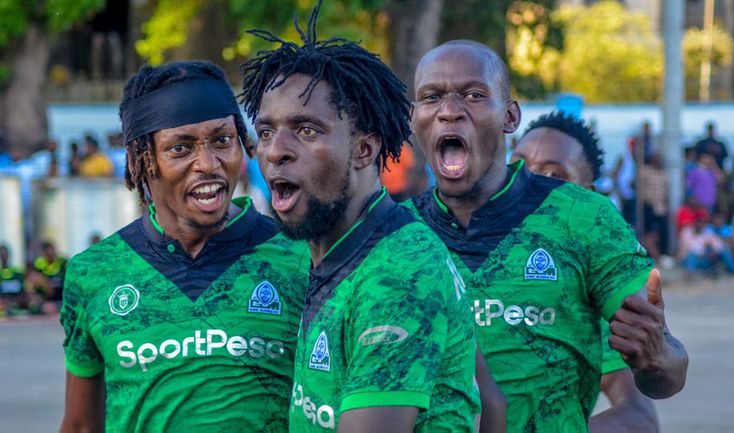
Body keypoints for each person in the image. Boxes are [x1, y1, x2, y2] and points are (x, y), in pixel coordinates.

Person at [408, 40, 688, 432]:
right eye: (431, 97)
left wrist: (656, 357)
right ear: (413, 118)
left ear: (510, 116)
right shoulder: (397, 233)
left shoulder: (584, 217)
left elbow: (667, 378)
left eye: (474, 95)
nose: (450, 110)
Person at [242, 6, 480, 432]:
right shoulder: (325, 246)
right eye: (265, 132)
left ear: (363, 151)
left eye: (306, 130)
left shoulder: (399, 274)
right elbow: (492, 402)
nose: (275, 151)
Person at [59, 60, 309, 433]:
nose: (208, 164)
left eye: (222, 140)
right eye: (180, 148)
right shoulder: (95, 272)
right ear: (142, 159)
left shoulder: (300, 256)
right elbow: (81, 426)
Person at [512, 111, 659, 432]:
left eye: (553, 174)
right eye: (518, 166)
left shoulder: (587, 298)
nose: (528, 182)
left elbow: (639, 416)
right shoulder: (438, 257)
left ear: (588, 196)